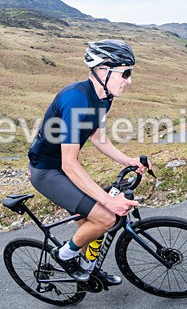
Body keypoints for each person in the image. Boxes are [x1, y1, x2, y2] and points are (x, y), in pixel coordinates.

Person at [27, 39, 151, 284]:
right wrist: (108, 201)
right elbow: (69, 163)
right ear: (103, 71)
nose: (129, 81)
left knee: (93, 224)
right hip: (47, 171)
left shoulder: (104, 97)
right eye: (125, 73)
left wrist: (128, 160)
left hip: (63, 168)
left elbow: (98, 137)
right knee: (106, 218)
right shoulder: (77, 100)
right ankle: (63, 255)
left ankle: (87, 267)